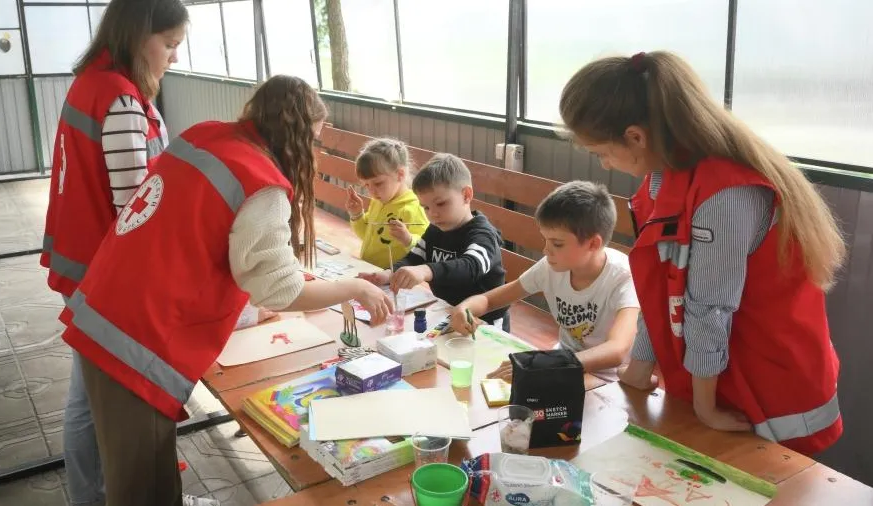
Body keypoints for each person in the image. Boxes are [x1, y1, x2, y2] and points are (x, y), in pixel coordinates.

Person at [57, 75, 394, 506]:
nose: (315, 151)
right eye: (313, 139)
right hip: (133, 342)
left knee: (146, 466)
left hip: (104, 307)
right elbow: (279, 290)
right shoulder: (261, 183)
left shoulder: (205, 135)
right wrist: (353, 289)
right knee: (139, 482)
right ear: (294, 134)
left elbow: (203, 241)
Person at [557, 50, 844, 455]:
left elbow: (709, 306)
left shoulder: (725, 194)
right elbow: (662, 290)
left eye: (600, 153)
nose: (603, 164)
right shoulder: (660, 179)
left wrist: (705, 406)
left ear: (636, 137)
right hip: (718, 374)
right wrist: (639, 369)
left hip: (770, 388)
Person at [37, 2, 223, 505]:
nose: (174, 58)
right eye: (168, 44)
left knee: (86, 395)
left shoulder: (93, 81)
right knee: (91, 399)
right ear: (138, 35)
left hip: (88, 263)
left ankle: (88, 495)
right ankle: (93, 495)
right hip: (107, 274)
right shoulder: (120, 100)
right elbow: (135, 209)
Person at [450, 181, 640, 380]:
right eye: (546, 240)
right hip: (560, 362)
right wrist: (465, 308)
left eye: (557, 244)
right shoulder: (552, 266)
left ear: (593, 243)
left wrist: (544, 364)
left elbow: (617, 350)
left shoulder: (624, 277)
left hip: (608, 378)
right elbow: (491, 300)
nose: (546, 250)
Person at [360, 153, 509, 330]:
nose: (433, 214)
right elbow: (414, 258)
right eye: (426, 207)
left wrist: (426, 270)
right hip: (447, 312)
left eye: (441, 203)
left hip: (484, 322)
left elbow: (471, 266)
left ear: (466, 195)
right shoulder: (435, 229)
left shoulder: (483, 235)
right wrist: (389, 274)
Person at [346, 138, 429, 269]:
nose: (372, 191)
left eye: (378, 183)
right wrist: (357, 215)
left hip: (394, 278)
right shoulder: (378, 201)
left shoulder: (413, 208)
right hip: (369, 269)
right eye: (366, 185)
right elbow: (367, 235)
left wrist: (408, 239)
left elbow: (427, 249)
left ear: (400, 174)